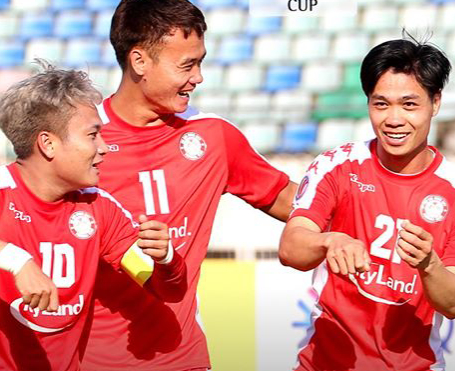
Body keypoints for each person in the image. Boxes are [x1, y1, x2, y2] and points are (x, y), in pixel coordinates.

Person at [81, 0, 298, 369]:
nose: (198, 77)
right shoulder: (81, 139)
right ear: (139, 62)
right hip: (87, 361)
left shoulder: (213, 135)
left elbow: (293, 202)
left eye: (200, 62)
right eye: (187, 65)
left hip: (182, 358)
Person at [279, 38, 455, 371]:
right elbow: (291, 247)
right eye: (381, 104)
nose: (394, 119)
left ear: (435, 102)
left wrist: (429, 265)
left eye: (409, 105)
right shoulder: (337, 166)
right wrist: (329, 240)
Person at [0, 65, 184, 371]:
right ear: (48, 143)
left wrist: (166, 258)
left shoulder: (98, 207)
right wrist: (17, 261)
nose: (104, 148)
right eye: (93, 135)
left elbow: (166, 290)